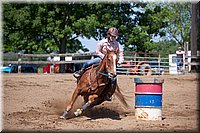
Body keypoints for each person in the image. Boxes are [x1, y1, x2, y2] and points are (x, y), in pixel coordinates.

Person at [73, 27, 124, 101]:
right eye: (112, 36)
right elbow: (97, 51)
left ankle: (108, 94)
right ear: (108, 35)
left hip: (111, 62)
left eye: (114, 36)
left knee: (113, 79)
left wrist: (119, 62)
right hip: (101, 59)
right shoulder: (102, 42)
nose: (113, 38)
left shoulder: (117, 44)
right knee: (88, 63)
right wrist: (104, 58)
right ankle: (80, 72)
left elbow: (121, 54)